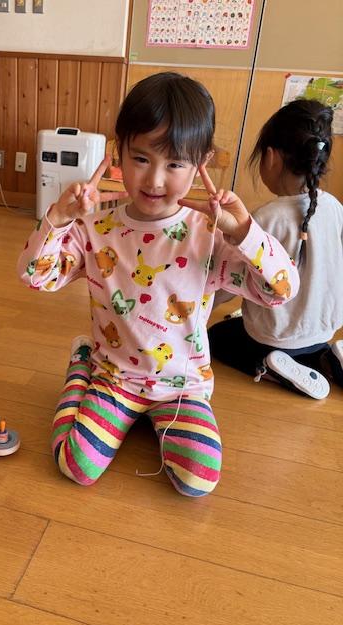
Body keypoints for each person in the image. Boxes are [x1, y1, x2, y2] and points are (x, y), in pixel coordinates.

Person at [17, 72, 299, 497]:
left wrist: (245, 232)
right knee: (73, 465)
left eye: (175, 164)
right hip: (113, 376)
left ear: (202, 162)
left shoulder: (211, 234)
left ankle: (128, 400)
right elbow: (35, 276)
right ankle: (81, 364)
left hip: (182, 386)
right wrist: (57, 218)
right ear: (118, 152)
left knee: (199, 480)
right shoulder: (95, 228)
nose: (154, 181)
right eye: (141, 158)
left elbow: (281, 290)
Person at [209, 99, 343, 400]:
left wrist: (199, 307)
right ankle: (331, 359)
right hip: (323, 331)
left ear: (271, 157)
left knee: (217, 337)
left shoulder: (265, 218)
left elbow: (231, 280)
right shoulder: (335, 207)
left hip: (273, 338)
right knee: (308, 346)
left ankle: (269, 368)